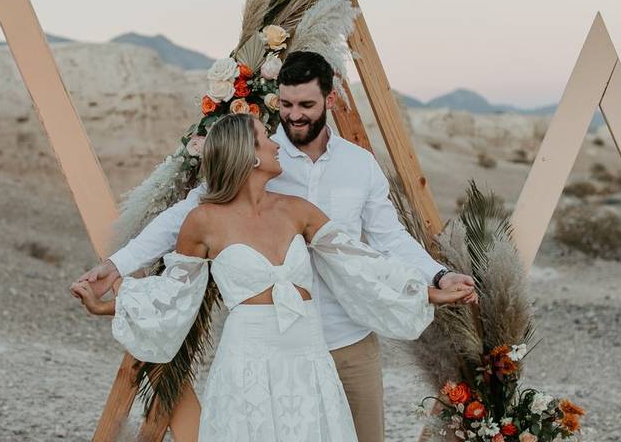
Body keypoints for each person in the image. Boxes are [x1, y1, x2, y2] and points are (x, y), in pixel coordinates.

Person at [75, 51, 476, 441]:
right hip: (254, 358)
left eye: (305, 104)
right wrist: (118, 265)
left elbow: (380, 247)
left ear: (329, 100)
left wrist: (436, 280)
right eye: (285, 104)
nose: (293, 115)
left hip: (345, 337)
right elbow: (177, 238)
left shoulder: (355, 169)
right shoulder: (247, 173)